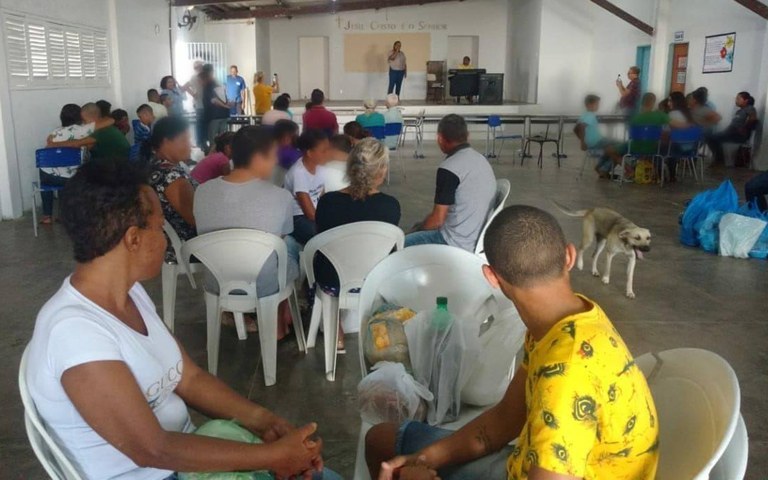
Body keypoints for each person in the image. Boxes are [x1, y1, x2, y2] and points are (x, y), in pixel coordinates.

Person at [26, 158, 335, 480]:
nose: (164, 240)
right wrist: (273, 457)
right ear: (133, 239)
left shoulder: (130, 295)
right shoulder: (74, 333)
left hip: (183, 460)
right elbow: (153, 449)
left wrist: (267, 423)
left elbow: (188, 378)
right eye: (160, 227)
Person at [366, 205, 660, 480]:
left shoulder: (567, 373)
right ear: (569, 256)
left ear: (491, 278)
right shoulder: (564, 321)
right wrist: (425, 459)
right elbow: (505, 419)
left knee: (388, 457)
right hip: (529, 462)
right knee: (382, 440)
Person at [194, 126, 301, 340]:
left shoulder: (202, 191)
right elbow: (279, 239)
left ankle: (274, 319)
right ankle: (279, 322)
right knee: (289, 247)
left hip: (217, 280)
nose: (275, 161)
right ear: (259, 157)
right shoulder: (280, 196)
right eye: (273, 156)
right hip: (262, 284)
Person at [315, 138, 401, 352]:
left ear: (350, 168)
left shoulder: (327, 202)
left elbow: (321, 241)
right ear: (381, 171)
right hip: (373, 279)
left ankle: (336, 330)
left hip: (332, 279)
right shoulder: (391, 206)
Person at [405, 114, 495, 251]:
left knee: (400, 244)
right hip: (479, 241)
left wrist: (417, 230)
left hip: (455, 243)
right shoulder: (481, 159)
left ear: (440, 138)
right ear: (467, 136)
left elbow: (437, 220)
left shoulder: (449, 168)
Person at [39, 104, 115, 225]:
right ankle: (63, 215)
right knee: (67, 173)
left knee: (47, 169)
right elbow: (111, 120)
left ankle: (47, 215)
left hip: (49, 178)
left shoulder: (55, 132)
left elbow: (49, 140)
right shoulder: (84, 130)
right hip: (71, 178)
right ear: (79, 116)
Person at [145, 116, 198, 262]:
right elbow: (195, 219)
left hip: (165, 243)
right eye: (185, 140)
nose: (190, 145)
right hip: (184, 247)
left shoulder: (155, 165)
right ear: (166, 141)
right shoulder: (172, 177)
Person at [284, 129, 330, 245]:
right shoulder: (299, 173)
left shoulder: (320, 167)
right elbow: (309, 213)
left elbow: (322, 196)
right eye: (324, 151)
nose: (328, 154)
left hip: (314, 214)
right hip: (298, 217)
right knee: (322, 238)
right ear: (309, 153)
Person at [575, 95, 624, 178]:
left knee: (611, 149)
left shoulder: (584, 115)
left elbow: (575, 129)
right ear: (589, 105)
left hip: (594, 142)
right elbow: (582, 127)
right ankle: (604, 170)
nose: (598, 106)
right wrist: (583, 143)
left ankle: (600, 168)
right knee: (620, 147)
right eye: (597, 104)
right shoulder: (590, 115)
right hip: (597, 142)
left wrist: (584, 141)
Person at [707, 91, 758, 166]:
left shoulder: (750, 108)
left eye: (738, 99)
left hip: (739, 135)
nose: (736, 100)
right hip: (731, 133)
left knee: (712, 138)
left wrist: (744, 128)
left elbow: (753, 118)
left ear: (746, 100)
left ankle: (719, 159)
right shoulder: (739, 111)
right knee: (711, 137)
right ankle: (719, 159)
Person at [201, 68, 233, 150]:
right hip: (224, 115)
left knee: (213, 138)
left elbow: (214, 100)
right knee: (223, 137)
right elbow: (225, 98)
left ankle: (214, 154)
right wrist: (227, 105)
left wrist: (225, 106)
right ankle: (222, 153)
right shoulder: (219, 85)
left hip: (214, 116)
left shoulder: (208, 87)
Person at [184, 61, 206, 149]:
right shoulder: (194, 77)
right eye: (197, 67)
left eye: (201, 66)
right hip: (199, 105)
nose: (200, 68)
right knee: (200, 125)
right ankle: (200, 143)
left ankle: (203, 142)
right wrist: (193, 94)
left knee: (204, 125)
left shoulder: (204, 76)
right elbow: (185, 86)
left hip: (207, 105)